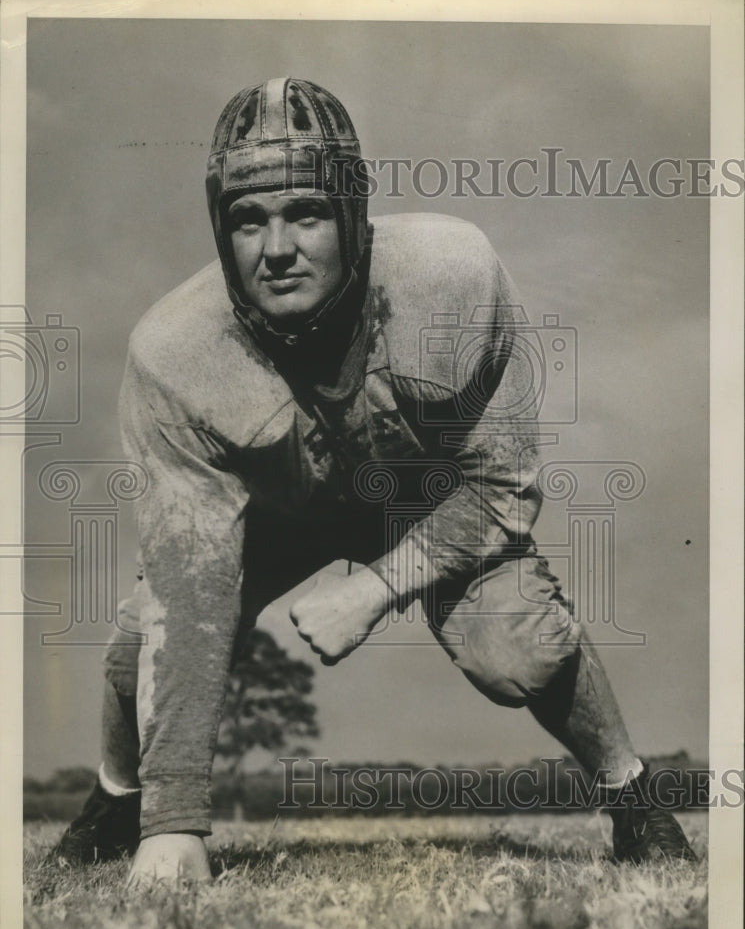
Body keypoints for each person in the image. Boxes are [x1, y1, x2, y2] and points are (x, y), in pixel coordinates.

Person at [54, 78, 695, 883]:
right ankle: (119, 800)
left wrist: (377, 589)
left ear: (353, 214)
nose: (276, 248)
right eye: (248, 220)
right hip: (273, 513)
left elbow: (502, 488)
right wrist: (173, 817)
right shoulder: (174, 355)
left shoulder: (449, 278)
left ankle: (633, 795)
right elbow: (191, 590)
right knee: (135, 645)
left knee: (520, 648)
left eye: (306, 213)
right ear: (221, 230)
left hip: (424, 504)